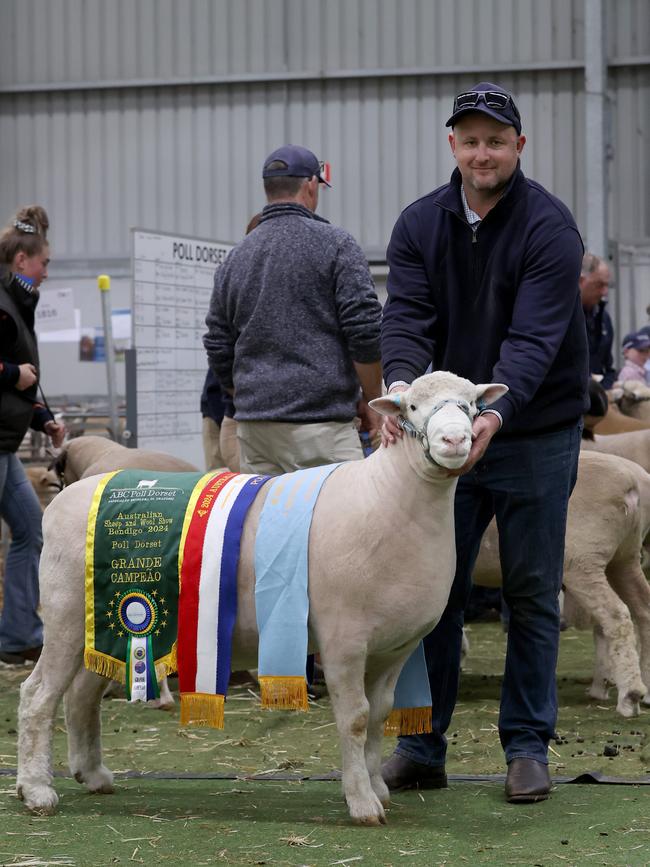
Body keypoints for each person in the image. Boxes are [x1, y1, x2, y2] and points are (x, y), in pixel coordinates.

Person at [380, 82, 588, 804]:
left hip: (532, 429)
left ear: (518, 147)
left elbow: (534, 341)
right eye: (469, 140)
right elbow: (404, 316)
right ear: (453, 147)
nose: (482, 153)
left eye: (495, 140)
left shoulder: (550, 230)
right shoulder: (418, 225)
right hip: (440, 433)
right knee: (430, 591)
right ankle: (419, 741)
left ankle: (527, 745)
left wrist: (493, 418)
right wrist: (403, 393)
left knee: (531, 590)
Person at [204, 144, 382, 475]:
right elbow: (364, 328)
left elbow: (217, 343)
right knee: (334, 524)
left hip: (255, 432)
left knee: (264, 523)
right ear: (311, 184)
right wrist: (372, 399)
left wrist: (249, 394)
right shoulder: (336, 244)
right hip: (321, 426)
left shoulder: (234, 258)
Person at [0, 205, 65, 665]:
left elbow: (26, 376)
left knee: (31, 530)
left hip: (5, 447)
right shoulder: (4, 306)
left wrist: (43, 418)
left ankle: (19, 634)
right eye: (43, 263)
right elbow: (16, 372)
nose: (45, 273)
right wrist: (11, 374)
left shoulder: (18, 307)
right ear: (23, 260)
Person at [580, 252, 615, 388]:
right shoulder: (560, 318)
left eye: (607, 285)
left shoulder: (604, 319)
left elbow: (607, 366)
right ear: (581, 281)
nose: (604, 292)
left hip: (598, 399)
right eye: (599, 285)